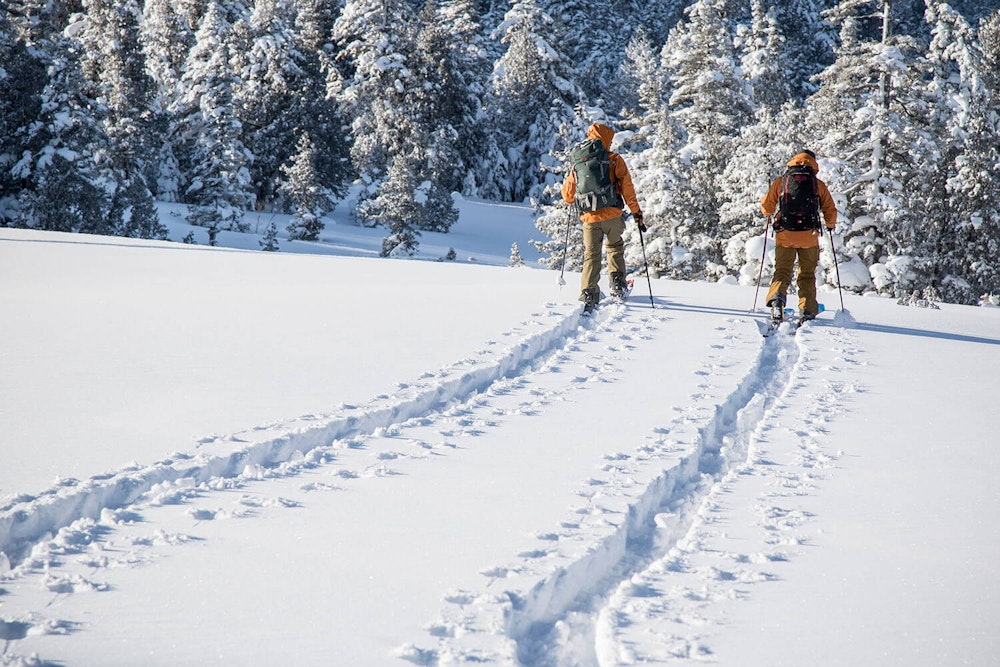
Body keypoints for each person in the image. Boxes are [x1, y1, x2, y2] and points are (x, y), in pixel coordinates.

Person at [561, 123, 644, 311]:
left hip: (590, 219)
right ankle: (618, 286)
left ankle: (589, 293)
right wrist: (636, 212)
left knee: (591, 255)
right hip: (613, 215)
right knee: (614, 248)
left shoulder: (579, 163)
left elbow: (567, 196)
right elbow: (627, 189)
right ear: (606, 139)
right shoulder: (614, 159)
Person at [760, 150, 837, 323]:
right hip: (809, 236)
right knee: (807, 274)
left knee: (782, 271)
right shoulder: (818, 184)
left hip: (785, 235)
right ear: (813, 163)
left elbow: (766, 207)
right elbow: (830, 209)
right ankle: (808, 310)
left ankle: (776, 301)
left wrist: (769, 212)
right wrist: (830, 225)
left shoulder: (782, 181)